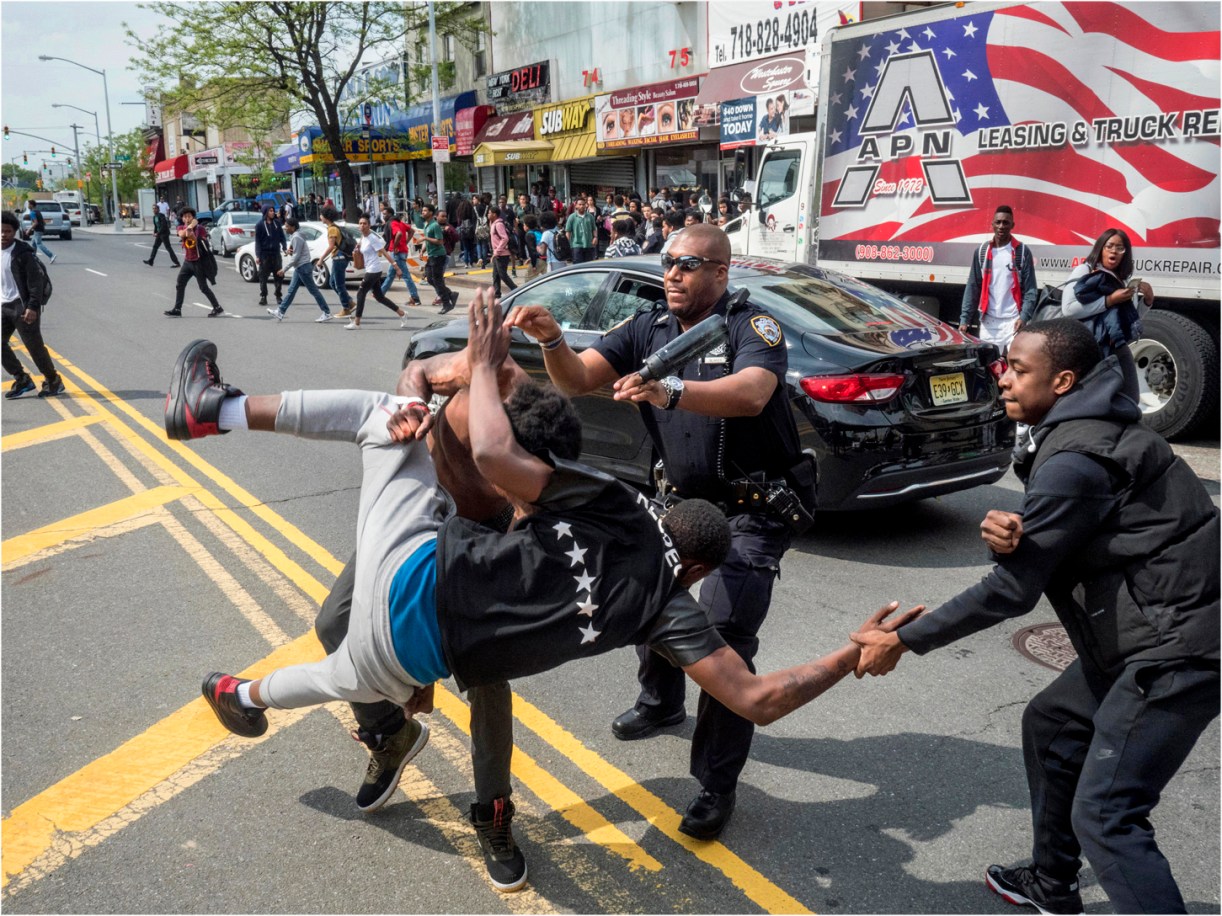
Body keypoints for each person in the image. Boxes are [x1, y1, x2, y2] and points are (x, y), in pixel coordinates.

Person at [175, 293, 911, 858]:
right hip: (404, 659)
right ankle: (247, 695)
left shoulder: (616, 504)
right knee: (346, 667)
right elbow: (757, 698)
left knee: (384, 418)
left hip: (406, 582)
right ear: (693, 570)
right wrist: (854, 651)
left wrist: (469, 363)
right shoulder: (665, 609)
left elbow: (494, 456)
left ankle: (218, 410)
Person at [852, 318, 1219, 916]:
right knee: (1054, 723)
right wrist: (1016, 539)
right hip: (1143, 634)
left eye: (1020, 370)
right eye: (1006, 365)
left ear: (1065, 380)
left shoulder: (1076, 455)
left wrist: (905, 639)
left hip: (1177, 648)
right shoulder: (1090, 429)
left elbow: (1012, 592)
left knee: (1108, 815)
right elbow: (1091, 535)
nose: (1003, 377)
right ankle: (1053, 885)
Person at [508, 225, 816, 841]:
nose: (672, 274)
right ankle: (661, 701)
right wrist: (552, 340)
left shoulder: (750, 329)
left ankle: (714, 783)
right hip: (679, 502)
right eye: (668, 264)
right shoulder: (648, 327)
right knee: (652, 605)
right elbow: (576, 379)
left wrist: (668, 391)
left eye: (689, 264)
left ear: (721, 273)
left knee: (727, 639)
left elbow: (753, 395)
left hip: (752, 510)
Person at [313, 347, 530, 891]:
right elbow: (414, 373)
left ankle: (493, 812)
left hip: (480, 540)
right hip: (409, 520)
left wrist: (424, 662)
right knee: (335, 623)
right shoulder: (457, 371)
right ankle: (390, 733)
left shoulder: (523, 418)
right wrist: (412, 400)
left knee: (484, 672)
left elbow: (527, 521)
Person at [1062, 228, 1154, 402]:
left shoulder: (1123, 280)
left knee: (1130, 397)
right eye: (1109, 246)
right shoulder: (1085, 270)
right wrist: (1109, 300)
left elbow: (1129, 319)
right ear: (1100, 248)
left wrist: (1148, 301)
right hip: (1089, 345)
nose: (1114, 251)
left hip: (1117, 346)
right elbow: (1068, 309)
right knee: (1088, 398)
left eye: (1120, 248)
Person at [2, 211, 64, 398]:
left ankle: (53, 380)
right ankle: (22, 378)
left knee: (33, 346)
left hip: (22, 306)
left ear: (15, 232)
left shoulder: (23, 254)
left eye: (8, 231)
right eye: (0, 231)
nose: (3, 235)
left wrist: (33, 307)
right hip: (3, 305)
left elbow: (35, 283)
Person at [959, 205, 1037, 354]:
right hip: (989, 322)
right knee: (990, 367)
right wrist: (965, 320)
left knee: (1014, 366)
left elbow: (1030, 290)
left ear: (1012, 225)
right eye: (998, 222)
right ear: (992, 224)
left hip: (1013, 321)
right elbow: (973, 287)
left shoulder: (1021, 252)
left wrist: (1024, 317)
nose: (1001, 226)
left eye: (1006, 223)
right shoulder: (982, 252)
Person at [346, 215, 407, 331]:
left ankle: (357, 322)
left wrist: (396, 267)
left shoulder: (372, 238)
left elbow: (384, 253)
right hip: (370, 269)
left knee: (360, 293)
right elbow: (362, 247)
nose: (362, 225)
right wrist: (358, 248)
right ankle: (402, 313)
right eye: (360, 223)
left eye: (364, 223)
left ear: (369, 225)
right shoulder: (363, 238)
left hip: (374, 270)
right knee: (379, 297)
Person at [269, 217, 333, 322]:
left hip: (303, 267)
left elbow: (296, 257)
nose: (285, 228)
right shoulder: (297, 235)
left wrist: (284, 269)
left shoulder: (296, 237)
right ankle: (280, 311)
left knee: (314, 291)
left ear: (293, 227)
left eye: (287, 226)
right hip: (300, 267)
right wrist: (291, 252)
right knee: (291, 290)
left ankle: (326, 312)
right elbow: (297, 252)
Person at [165, 207, 223, 318]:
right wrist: (189, 226)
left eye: (189, 216)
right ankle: (177, 308)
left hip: (198, 262)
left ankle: (217, 307)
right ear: (182, 218)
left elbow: (195, 240)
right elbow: (182, 234)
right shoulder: (181, 227)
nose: (187, 218)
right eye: (185, 216)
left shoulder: (200, 229)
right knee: (180, 284)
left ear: (193, 217)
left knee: (203, 287)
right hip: (188, 262)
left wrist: (191, 227)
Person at [379, 206, 423, 308]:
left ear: (390, 214)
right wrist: (405, 242)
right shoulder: (399, 222)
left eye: (385, 214)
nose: (383, 216)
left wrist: (395, 246)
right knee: (390, 275)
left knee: (406, 276)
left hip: (397, 253)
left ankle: (415, 298)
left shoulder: (393, 223)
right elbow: (411, 231)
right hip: (400, 252)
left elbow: (398, 234)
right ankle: (380, 294)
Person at [420, 203, 458, 315]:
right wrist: (422, 250)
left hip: (438, 256)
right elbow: (427, 240)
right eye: (423, 210)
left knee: (437, 280)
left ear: (431, 213)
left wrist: (426, 238)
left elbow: (440, 241)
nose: (423, 212)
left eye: (425, 211)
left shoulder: (435, 226)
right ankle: (450, 294)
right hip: (431, 255)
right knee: (429, 278)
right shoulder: (426, 224)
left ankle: (447, 304)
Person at [315, 207, 354, 318]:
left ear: (326, 217)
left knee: (339, 284)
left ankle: (346, 308)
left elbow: (331, 246)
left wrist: (321, 259)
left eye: (321, 215)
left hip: (339, 258)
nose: (320, 217)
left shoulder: (332, 229)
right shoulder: (334, 227)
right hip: (340, 257)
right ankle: (350, 302)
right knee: (333, 283)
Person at [254, 206, 286, 307]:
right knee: (263, 276)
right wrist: (258, 255)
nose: (273, 213)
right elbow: (257, 241)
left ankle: (278, 295)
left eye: (273, 211)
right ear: (266, 212)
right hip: (264, 254)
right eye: (270, 211)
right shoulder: (259, 225)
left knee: (279, 276)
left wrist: (284, 247)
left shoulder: (277, 223)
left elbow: (282, 237)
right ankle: (264, 296)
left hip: (276, 253)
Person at [489, 207, 518, 299]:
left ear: (494, 214)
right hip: (497, 253)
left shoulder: (498, 224)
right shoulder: (493, 223)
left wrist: (497, 251)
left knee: (502, 275)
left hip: (502, 254)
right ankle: (497, 294)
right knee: (495, 275)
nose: (488, 215)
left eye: (489, 213)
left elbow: (505, 238)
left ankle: (515, 290)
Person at [565, 197, 597, 264]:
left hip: (589, 245)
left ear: (586, 205)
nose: (581, 206)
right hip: (576, 246)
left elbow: (594, 229)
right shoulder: (572, 217)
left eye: (583, 204)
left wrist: (595, 237)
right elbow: (568, 232)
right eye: (579, 204)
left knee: (588, 268)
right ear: (576, 205)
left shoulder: (590, 217)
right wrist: (567, 246)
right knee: (577, 267)